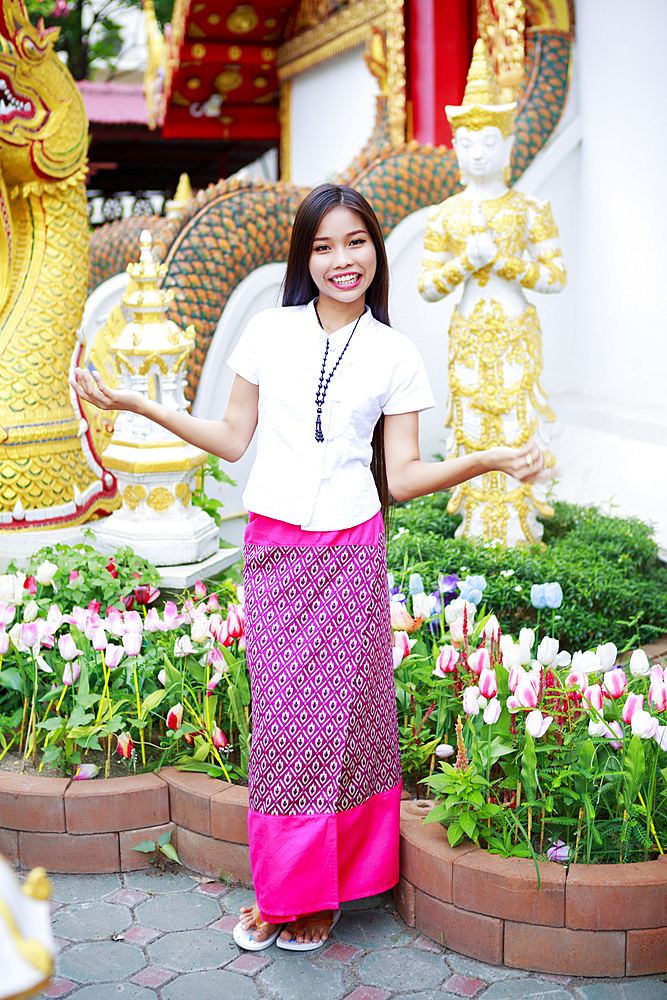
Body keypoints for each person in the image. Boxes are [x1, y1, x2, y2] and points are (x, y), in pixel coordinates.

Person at [70, 183, 543, 952]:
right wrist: (135, 405)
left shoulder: (396, 352)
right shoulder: (269, 331)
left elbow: (403, 475)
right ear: (304, 257)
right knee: (288, 728)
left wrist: (484, 460)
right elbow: (229, 437)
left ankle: (323, 894)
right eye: (322, 246)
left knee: (344, 726)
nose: (340, 259)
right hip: (277, 553)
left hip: (350, 552)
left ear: (374, 250)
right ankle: (285, 890)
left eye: (354, 241)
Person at [419, 40, 566, 546]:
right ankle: (477, 527)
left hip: (514, 331)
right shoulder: (445, 214)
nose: (477, 151)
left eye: (488, 140)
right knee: (474, 424)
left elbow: (555, 275)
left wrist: (501, 260)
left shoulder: (530, 208)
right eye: (467, 142)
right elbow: (426, 286)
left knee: (515, 422)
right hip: (468, 333)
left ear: (507, 143)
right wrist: (466, 261)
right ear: (455, 146)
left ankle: (521, 528)